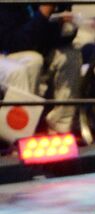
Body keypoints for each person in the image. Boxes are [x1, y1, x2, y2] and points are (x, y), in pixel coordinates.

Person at [0, 3, 81, 135]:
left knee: (71, 56)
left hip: (40, 49)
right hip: (9, 53)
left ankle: (60, 126)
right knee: (34, 60)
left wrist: (64, 26)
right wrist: (43, 14)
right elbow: (14, 43)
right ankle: (24, 133)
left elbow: (53, 39)